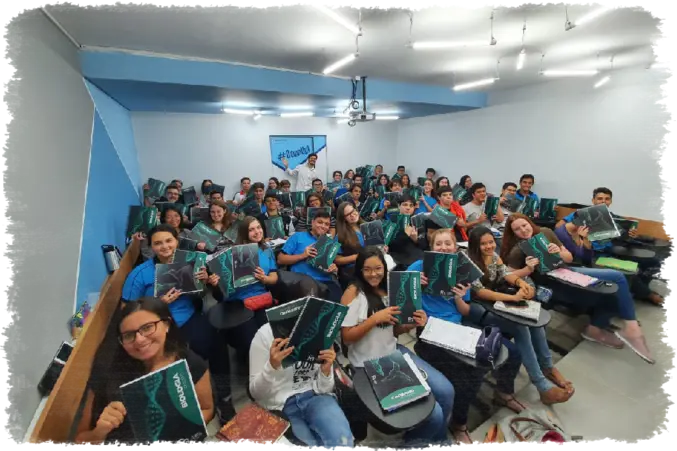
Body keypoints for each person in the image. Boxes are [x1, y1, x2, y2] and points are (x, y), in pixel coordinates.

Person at [407, 229, 526, 446]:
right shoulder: (417, 268)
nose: (443, 248)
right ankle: (459, 424)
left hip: (458, 325)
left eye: (448, 244)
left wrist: (460, 296)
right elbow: (404, 305)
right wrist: (416, 286)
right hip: (429, 329)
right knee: (472, 372)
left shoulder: (461, 270)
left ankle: (503, 392)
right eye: (438, 244)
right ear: (431, 248)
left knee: (513, 353)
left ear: (455, 247)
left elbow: (463, 311)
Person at [341, 248, 454, 451]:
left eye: (378, 269)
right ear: (359, 270)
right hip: (368, 364)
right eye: (367, 269)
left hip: (394, 352)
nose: (373, 274)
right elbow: (347, 339)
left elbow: (394, 331)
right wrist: (374, 319)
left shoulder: (389, 289)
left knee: (446, 392)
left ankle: (434, 440)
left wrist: (410, 325)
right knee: (434, 415)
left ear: (385, 269)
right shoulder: (353, 292)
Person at [502, 214, 655, 363]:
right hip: (549, 285)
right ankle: (598, 330)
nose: (523, 230)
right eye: (517, 229)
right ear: (513, 233)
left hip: (567, 271)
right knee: (609, 293)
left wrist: (559, 252)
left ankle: (626, 329)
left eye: (524, 225)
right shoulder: (518, 249)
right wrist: (527, 269)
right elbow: (508, 275)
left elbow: (569, 257)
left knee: (618, 279)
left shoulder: (545, 233)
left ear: (530, 223)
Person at [121, 226, 235, 421]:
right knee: (179, 360)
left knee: (216, 342)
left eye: (169, 241)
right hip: (156, 328)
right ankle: (185, 407)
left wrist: (209, 281)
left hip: (189, 319)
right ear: (151, 247)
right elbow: (125, 311)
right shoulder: (140, 274)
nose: (164, 246)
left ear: (177, 242)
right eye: (158, 243)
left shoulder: (193, 262)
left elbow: (217, 294)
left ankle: (224, 398)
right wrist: (158, 305)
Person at [74, 298, 214, 447]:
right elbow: (79, 440)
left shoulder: (190, 363)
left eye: (147, 327)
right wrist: (100, 432)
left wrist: (182, 431)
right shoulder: (105, 371)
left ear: (167, 324)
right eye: (128, 335)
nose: (139, 340)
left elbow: (207, 408)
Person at [467, 226, 574, 404]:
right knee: (521, 326)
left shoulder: (494, 257)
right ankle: (541, 385)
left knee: (533, 321)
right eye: (483, 244)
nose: (488, 246)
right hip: (478, 307)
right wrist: (512, 297)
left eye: (491, 242)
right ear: (474, 246)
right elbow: (481, 292)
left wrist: (520, 283)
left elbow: (505, 274)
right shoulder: (470, 263)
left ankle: (547, 366)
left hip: (496, 302)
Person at [556, 187, 666, 308]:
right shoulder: (583, 214)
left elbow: (623, 238)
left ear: (611, 201)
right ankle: (650, 296)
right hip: (593, 254)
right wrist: (577, 234)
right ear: (593, 200)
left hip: (611, 250)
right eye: (600, 198)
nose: (603, 201)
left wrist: (631, 235)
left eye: (607, 199)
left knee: (655, 262)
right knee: (628, 273)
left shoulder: (614, 218)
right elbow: (559, 226)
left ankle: (639, 291)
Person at [249, 322, 353, 450]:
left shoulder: (321, 328)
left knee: (343, 443)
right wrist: (271, 367)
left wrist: (326, 370)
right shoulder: (264, 335)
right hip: (280, 407)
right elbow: (256, 394)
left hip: (316, 396)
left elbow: (325, 389)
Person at [278, 210, 342, 302]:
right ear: (312, 222)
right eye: (320, 222)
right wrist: (303, 255)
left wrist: (334, 269)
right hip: (302, 281)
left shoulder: (330, 242)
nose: (323, 226)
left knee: (338, 303)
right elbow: (280, 259)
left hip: (326, 281)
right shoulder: (297, 236)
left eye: (326, 224)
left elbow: (332, 265)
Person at [233, 217, 280, 326]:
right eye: (251, 230)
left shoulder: (267, 249)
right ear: (244, 233)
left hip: (260, 297)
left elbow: (274, 276)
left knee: (269, 331)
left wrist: (266, 279)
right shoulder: (234, 252)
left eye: (258, 227)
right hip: (239, 301)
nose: (257, 232)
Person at [383, 194, 424, 269]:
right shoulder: (392, 222)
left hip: (417, 258)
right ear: (399, 206)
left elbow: (425, 245)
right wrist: (405, 234)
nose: (408, 208)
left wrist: (416, 240)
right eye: (405, 205)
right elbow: (390, 245)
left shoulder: (418, 222)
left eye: (411, 206)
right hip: (399, 259)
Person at [334, 202, 365, 287]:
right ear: (343, 219)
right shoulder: (340, 235)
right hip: (354, 274)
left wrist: (382, 248)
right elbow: (336, 259)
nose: (352, 215)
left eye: (353, 211)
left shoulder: (367, 227)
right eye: (348, 214)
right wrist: (356, 257)